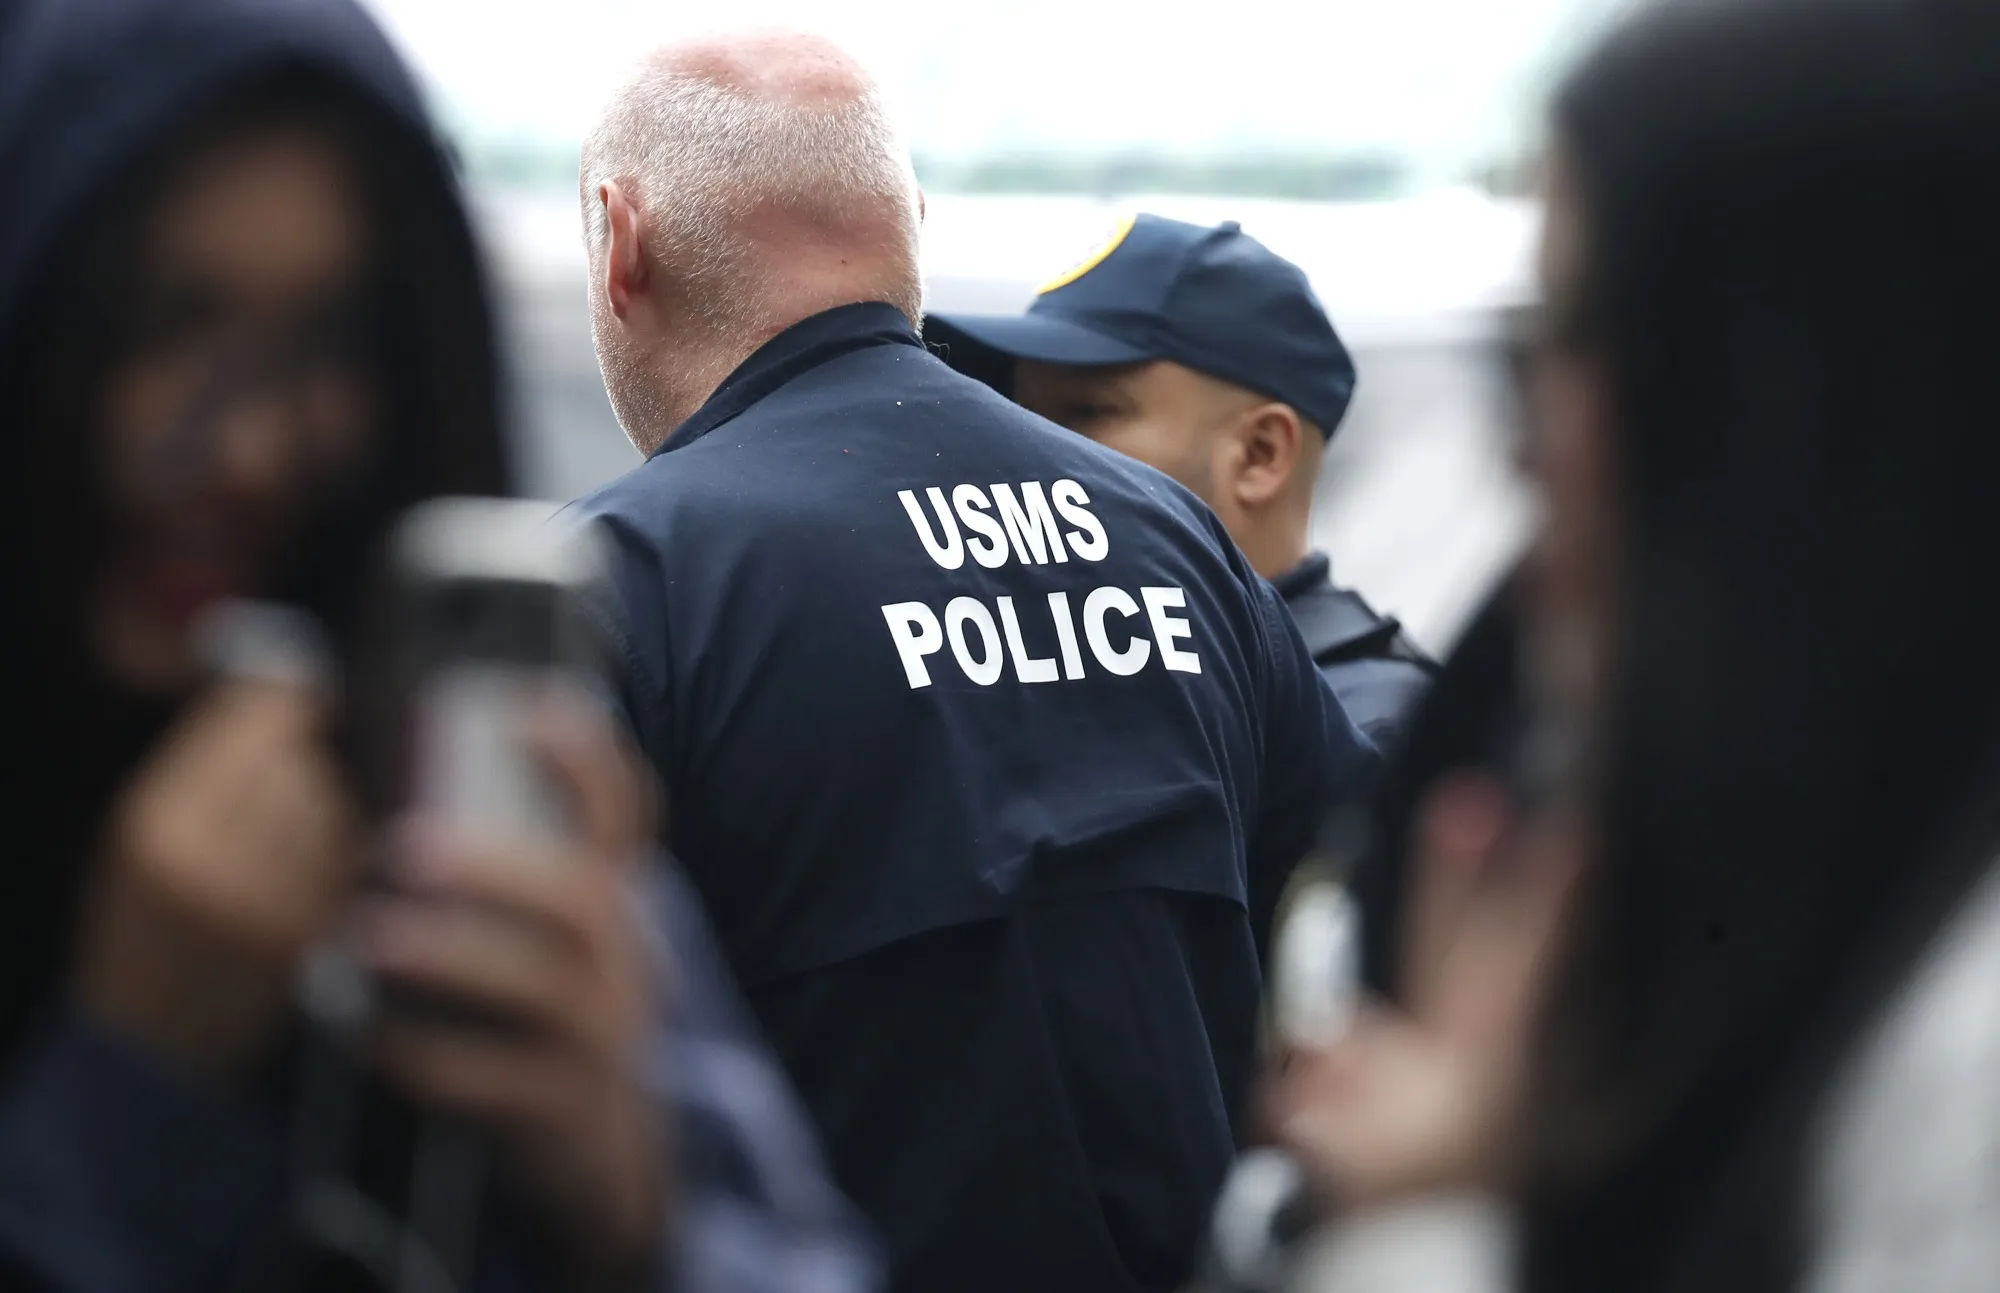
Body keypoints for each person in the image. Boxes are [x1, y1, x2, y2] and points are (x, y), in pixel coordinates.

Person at [0, 1, 873, 1290]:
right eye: (156, 323)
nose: (243, 451)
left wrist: (635, 1188)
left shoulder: (467, 806)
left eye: (330, 338)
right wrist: (126, 1094)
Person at [571, 31, 1377, 1293]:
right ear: (908, 232)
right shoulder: (1170, 538)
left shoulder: (626, 579)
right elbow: (1360, 915)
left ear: (620, 240)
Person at [1262, 1, 2000, 1291]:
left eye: (1558, 343)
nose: (1521, 441)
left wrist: (1419, 1221)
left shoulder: (1959, 1083)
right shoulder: (1829, 872)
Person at [926, 216, 1435, 751]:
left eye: (1085, 412)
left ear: (1260, 455)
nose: (1027, 446)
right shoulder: (1061, 668)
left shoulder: (1370, 731)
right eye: (1019, 413)